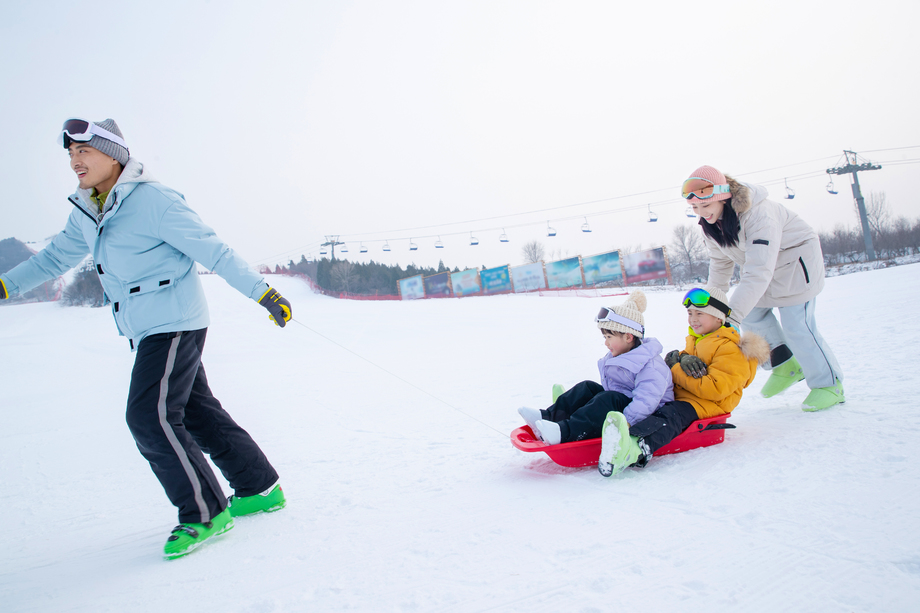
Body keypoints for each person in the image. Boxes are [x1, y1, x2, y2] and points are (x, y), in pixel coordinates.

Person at [0, 118, 292, 559]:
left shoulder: (153, 199)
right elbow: (53, 259)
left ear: (113, 154)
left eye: (85, 151)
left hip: (174, 320)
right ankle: (258, 487)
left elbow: (214, 250)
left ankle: (205, 513)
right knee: (194, 410)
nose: (75, 161)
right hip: (145, 326)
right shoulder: (86, 209)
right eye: (71, 154)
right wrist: (5, 287)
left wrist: (264, 293)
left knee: (148, 416)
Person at [682, 165, 844, 411]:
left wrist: (731, 316)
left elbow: (758, 271)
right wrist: (708, 306)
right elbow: (720, 264)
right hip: (764, 269)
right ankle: (785, 365)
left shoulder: (759, 214)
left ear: (723, 198)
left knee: (797, 326)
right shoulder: (711, 225)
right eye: (695, 208)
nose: (702, 213)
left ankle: (829, 385)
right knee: (754, 315)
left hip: (795, 267)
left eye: (706, 206)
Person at [598, 287, 770, 476]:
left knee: (670, 416)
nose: (693, 319)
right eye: (690, 313)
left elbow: (715, 389)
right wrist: (678, 357)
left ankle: (635, 447)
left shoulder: (731, 349)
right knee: (647, 402)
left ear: (718, 317)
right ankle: (611, 427)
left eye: (700, 313)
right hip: (687, 398)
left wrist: (675, 367)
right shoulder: (698, 340)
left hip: (708, 404)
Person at [517, 290, 674, 476]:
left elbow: (647, 400)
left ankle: (564, 432)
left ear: (628, 337)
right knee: (587, 388)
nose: (606, 343)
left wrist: (626, 424)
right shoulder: (622, 353)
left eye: (609, 337)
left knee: (606, 399)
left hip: (647, 414)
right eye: (604, 338)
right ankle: (547, 417)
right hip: (624, 402)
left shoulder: (651, 365)